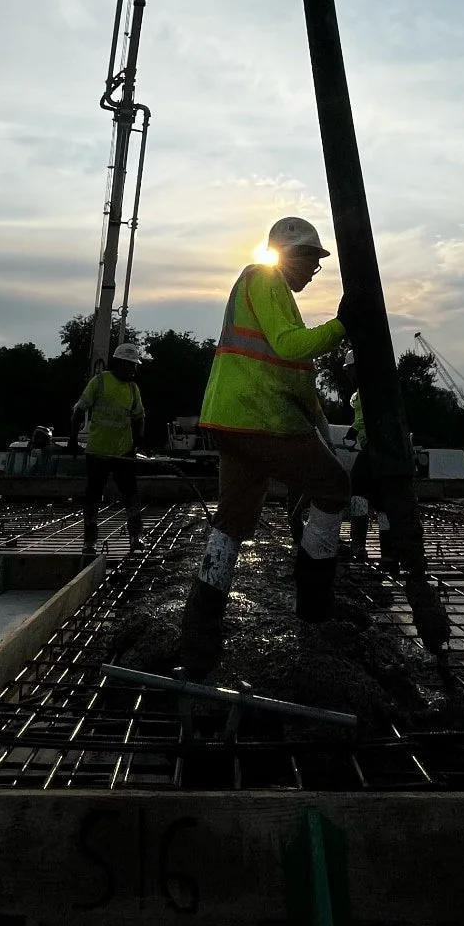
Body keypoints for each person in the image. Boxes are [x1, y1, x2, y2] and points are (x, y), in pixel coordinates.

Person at [175, 217, 356, 679]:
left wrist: (313, 409)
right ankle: (315, 603)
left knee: (233, 519)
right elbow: (292, 347)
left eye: (318, 262)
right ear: (286, 254)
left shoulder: (264, 289)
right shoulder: (265, 277)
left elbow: (286, 363)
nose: (314, 270)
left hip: (231, 417)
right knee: (334, 487)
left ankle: (200, 631)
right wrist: (343, 325)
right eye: (310, 259)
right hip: (261, 415)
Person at [69, 340, 147, 556]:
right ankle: (89, 542)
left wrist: (138, 441)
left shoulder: (132, 389)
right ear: (119, 363)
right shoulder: (100, 382)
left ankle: (135, 538)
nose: (134, 370)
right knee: (93, 496)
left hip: (123, 452)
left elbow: (139, 417)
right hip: (97, 453)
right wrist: (73, 438)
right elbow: (79, 410)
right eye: (131, 365)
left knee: (131, 494)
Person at [344, 355, 392, 563]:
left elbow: (368, 417)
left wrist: (353, 431)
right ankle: (389, 554)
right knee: (382, 502)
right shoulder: (377, 385)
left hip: (373, 446)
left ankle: (358, 546)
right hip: (382, 449)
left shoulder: (368, 388)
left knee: (357, 492)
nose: (348, 373)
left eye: (350, 368)